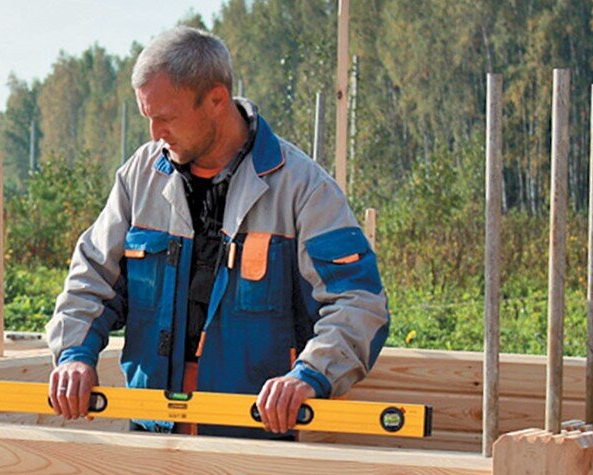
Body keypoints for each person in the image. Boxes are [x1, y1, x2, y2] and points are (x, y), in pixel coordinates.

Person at [45, 26, 389, 439]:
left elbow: (358, 303)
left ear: (216, 100)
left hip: (254, 439)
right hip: (152, 430)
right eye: (148, 118)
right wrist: (74, 354)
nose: (154, 133)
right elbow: (92, 276)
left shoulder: (303, 189)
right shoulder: (141, 176)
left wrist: (309, 375)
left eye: (165, 118)